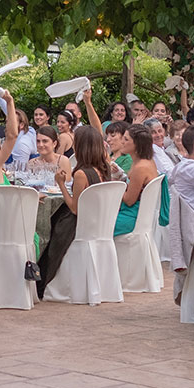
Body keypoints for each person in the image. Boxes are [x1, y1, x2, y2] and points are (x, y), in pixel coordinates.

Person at [38, 125, 112, 295]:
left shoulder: (81, 174)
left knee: (49, 225)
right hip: (98, 222)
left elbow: (74, 209)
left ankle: (43, 279)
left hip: (79, 224)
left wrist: (61, 184)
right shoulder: (104, 168)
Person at [113, 124, 170, 235]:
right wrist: (120, 175)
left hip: (133, 217)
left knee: (98, 224)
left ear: (136, 144)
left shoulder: (140, 167)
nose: (122, 142)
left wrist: (114, 183)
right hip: (139, 214)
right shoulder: (144, 161)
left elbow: (129, 201)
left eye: (126, 139)